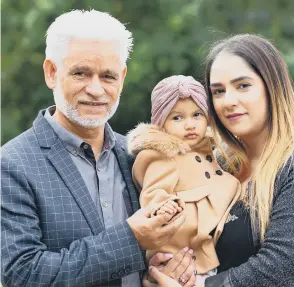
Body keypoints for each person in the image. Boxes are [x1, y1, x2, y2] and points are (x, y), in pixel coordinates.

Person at [1, 10, 190, 287]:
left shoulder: (139, 157)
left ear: (123, 78)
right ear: (52, 73)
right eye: (81, 73)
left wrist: (159, 270)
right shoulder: (12, 164)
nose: (96, 89)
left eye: (108, 76)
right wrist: (131, 239)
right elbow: (23, 273)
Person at [144, 34, 294, 287]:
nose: (228, 101)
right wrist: (167, 268)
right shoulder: (219, 164)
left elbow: (285, 271)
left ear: (273, 87)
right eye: (218, 91)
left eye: (243, 86)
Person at [127, 75, 241, 285]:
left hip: (205, 255)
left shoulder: (213, 154)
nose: (189, 125)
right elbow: (153, 194)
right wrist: (165, 207)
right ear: (161, 124)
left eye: (197, 115)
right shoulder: (164, 157)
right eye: (177, 118)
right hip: (176, 257)